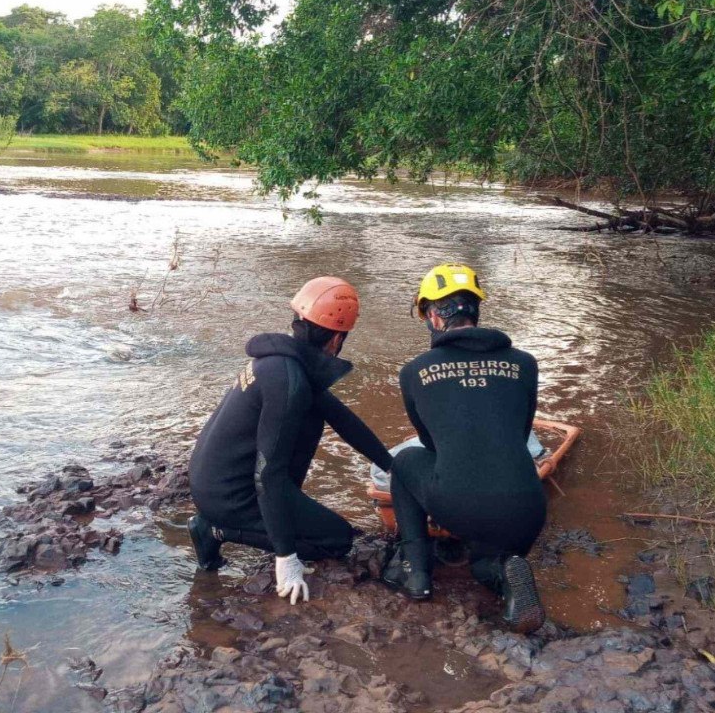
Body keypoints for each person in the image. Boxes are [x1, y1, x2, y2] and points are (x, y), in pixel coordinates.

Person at [187, 277, 394, 605]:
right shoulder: (290, 383)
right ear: (337, 338)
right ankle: (216, 530)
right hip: (229, 496)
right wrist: (285, 556)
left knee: (313, 414)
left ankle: (233, 523)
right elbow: (268, 474)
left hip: (210, 479)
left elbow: (342, 419)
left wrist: (391, 466)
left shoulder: (281, 361)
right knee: (337, 539)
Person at [384, 263, 547, 633]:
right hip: (528, 508)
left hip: (461, 505)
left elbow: (430, 443)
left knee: (407, 461)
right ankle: (506, 570)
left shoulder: (415, 371)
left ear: (433, 316)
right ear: (476, 309)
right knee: (483, 563)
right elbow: (520, 433)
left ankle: (417, 573)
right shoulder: (524, 363)